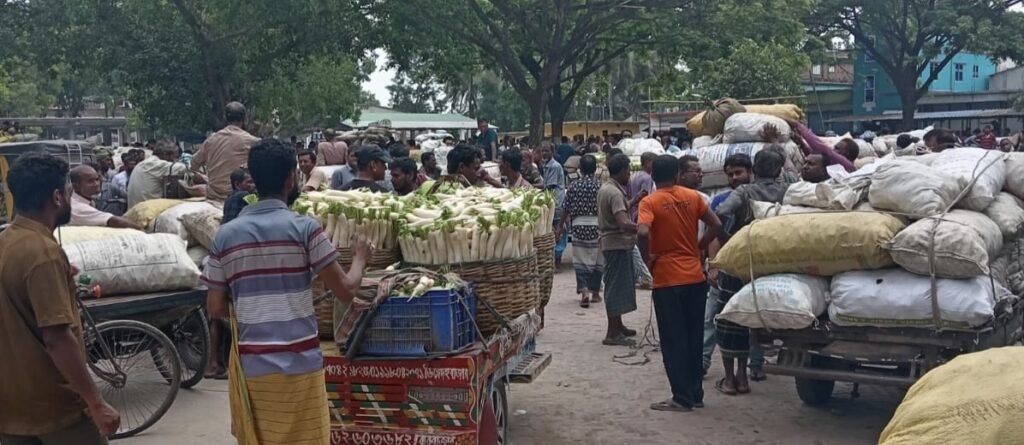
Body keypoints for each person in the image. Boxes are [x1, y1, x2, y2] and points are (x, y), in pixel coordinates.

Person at [202, 138, 370, 445]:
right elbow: (346, 290)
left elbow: (215, 309)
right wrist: (360, 258)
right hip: (300, 364)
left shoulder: (225, 235)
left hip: (253, 368)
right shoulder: (305, 229)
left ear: (252, 180)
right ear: (292, 178)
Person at [0, 152, 121, 444]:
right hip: (55, 406)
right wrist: (95, 401)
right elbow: (56, 338)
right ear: (57, 197)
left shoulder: (7, 241)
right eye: (69, 193)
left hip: (11, 406)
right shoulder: (43, 253)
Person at [637, 155, 722, 413]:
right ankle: (695, 394)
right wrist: (699, 246)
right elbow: (716, 224)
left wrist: (647, 257)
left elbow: (642, 232)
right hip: (695, 276)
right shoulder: (693, 197)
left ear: (652, 176)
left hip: (667, 278)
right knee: (694, 337)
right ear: (676, 175)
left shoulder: (649, 201)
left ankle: (681, 397)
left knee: (673, 340)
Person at [713, 148, 789, 395]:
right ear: (779, 170)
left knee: (729, 318)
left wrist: (729, 236)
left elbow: (722, 211)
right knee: (753, 320)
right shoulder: (788, 191)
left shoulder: (745, 192)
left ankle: (732, 379)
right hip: (773, 262)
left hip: (742, 260)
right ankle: (748, 374)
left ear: (753, 171)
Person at [702, 154, 752, 375]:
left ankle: (755, 366)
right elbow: (713, 236)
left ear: (751, 172)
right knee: (712, 316)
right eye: (730, 174)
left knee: (754, 319)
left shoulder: (761, 198)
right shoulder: (721, 201)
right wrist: (713, 265)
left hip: (754, 269)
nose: (734, 177)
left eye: (738, 172)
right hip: (727, 269)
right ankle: (702, 362)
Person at [598, 154, 642, 346]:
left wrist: (636, 200)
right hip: (617, 244)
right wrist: (643, 227)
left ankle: (618, 325)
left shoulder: (608, 188)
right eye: (628, 171)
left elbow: (619, 211)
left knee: (619, 286)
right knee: (616, 288)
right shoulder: (615, 193)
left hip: (612, 243)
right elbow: (623, 223)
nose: (629, 175)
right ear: (623, 171)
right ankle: (612, 333)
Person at [557, 154, 604, 308]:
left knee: (580, 261)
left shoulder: (573, 186)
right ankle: (595, 293)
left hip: (578, 227)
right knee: (598, 261)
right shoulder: (601, 187)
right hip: (597, 227)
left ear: (580, 169)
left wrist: (560, 227)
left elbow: (566, 208)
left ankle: (584, 291)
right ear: (595, 168)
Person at [191, 102, 259, 202]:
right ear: (245, 119)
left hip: (213, 196)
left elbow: (193, 164)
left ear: (225, 118)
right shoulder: (253, 142)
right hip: (242, 197)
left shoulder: (211, 139)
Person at [68, 165, 143, 230]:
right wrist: (143, 231)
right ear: (76, 186)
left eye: (97, 179)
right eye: (90, 181)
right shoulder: (79, 208)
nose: (96, 184)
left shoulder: (86, 199)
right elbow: (116, 221)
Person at [127, 141, 195, 208]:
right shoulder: (157, 164)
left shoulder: (142, 164)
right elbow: (188, 168)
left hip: (134, 210)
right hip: (148, 213)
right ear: (166, 154)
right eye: (176, 157)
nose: (176, 160)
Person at [539, 142, 568, 263]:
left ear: (552, 152)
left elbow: (549, 186)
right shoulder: (546, 165)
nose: (544, 153)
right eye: (543, 151)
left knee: (557, 228)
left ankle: (557, 257)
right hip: (551, 200)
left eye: (547, 151)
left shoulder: (554, 166)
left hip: (556, 200)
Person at [629, 152, 657, 222]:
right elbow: (645, 196)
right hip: (640, 211)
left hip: (631, 210)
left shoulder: (634, 175)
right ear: (648, 162)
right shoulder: (647, 178)